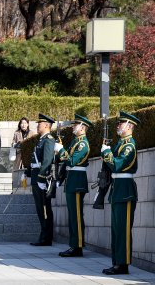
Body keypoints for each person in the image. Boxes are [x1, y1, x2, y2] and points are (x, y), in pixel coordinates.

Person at [100, 111, 140, 275]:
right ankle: (117, 262)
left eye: (121, 123)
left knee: (123, 229)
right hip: (117, 188)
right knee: (116, 229)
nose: (118, 125)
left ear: (129, 126)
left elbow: (117, 165)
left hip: (125, 190)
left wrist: (106, 153)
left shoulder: (129, 145)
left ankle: (123, 264)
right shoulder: (119, 144)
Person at [54, 113, 91, 258]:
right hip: (71, 180)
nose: (73, 127)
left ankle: (78, 246)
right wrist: (59, 149)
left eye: (76, 125)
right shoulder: (75, 141)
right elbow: (64, 158)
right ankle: (74, 244)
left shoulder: (83, 143)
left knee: (76, 216)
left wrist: (61, 150)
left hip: (77, 182)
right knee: (72, 216)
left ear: (83, 128)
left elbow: (71, 161)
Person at [29, 113, 56, 247]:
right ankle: (43, 235)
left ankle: (46, 238)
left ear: (46, 125)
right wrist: (28, 171)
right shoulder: (41, 139)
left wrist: (41, 177)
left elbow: (47, 160)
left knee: (45, 208)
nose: (38, 125)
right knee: (40, 209)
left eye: (40, 123)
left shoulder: (49, 139)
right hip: (36, 177)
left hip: (42, 179)